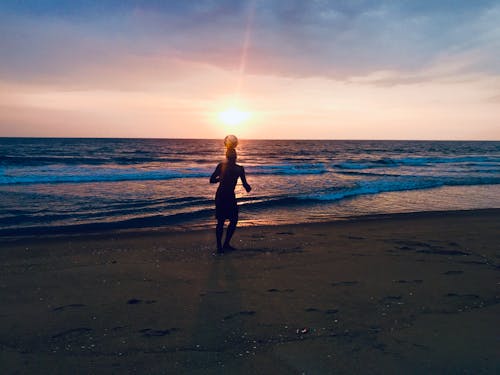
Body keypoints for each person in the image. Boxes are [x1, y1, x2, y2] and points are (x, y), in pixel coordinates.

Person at [210, 148, 251, 253]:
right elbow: (212, 180)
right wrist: (247, 188)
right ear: (234, 157)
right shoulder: (235, 168)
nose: (232, 157)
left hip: (226, 196)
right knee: (226, 221)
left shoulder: (233, 168)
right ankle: (221, 246)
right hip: (224, 196)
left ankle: (224, 245)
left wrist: (247, 187)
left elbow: (212, 180)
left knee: (229, 220)